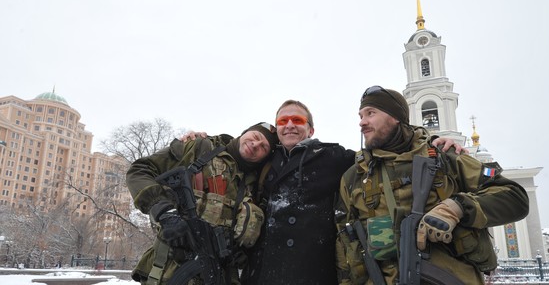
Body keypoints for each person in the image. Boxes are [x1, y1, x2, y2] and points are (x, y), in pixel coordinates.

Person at [239, 100, 464, 285]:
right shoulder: (264, 159)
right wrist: (204, 142)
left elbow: (382, 154)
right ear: (276, 128)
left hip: (312, 273)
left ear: (310, 129)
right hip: (262, 273)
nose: (289, 125)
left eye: (297, 120)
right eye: (282, 121)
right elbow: (235, 153)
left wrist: (430, 141)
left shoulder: (333, 156)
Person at [335, 86, 529, 284]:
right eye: (360, 115)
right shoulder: (354, 177)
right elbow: (344, 247)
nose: (362, 122)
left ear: (395, 117)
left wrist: (458, 207)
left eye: (370, 113)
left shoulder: (445, 156)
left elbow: (515, 197)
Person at [126, 122, 279, 285]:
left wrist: (242, 252)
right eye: (255, 137)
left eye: (264, 147)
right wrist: (164, 212)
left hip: (220, 276)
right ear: (245, 132)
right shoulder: (200, 147)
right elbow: (139, 170)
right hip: (167, 270)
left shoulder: (256, 185)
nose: (255, 145)